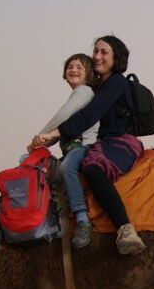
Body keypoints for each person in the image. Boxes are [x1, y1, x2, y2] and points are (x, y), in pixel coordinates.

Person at [32, 35, 146, 255]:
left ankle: (125, 228)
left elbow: (90, 115)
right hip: (103, 143)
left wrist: (52, 134)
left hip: (122, 142)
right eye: (95, 51)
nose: (97, 56)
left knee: (91, 166)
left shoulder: (116, 82)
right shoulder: (99, 86)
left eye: (104, 52)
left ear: (116, 57)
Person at [27, 53, 99, 248]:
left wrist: (39, 139)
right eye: (70, 67)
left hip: (84, 146)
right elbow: (62, 127)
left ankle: (82, 219)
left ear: (88, 74)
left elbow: (62, 117)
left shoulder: (84, 92)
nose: (73, 70)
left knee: (67, 167)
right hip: (71, 149)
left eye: (79, 67)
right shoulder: (77, 95)